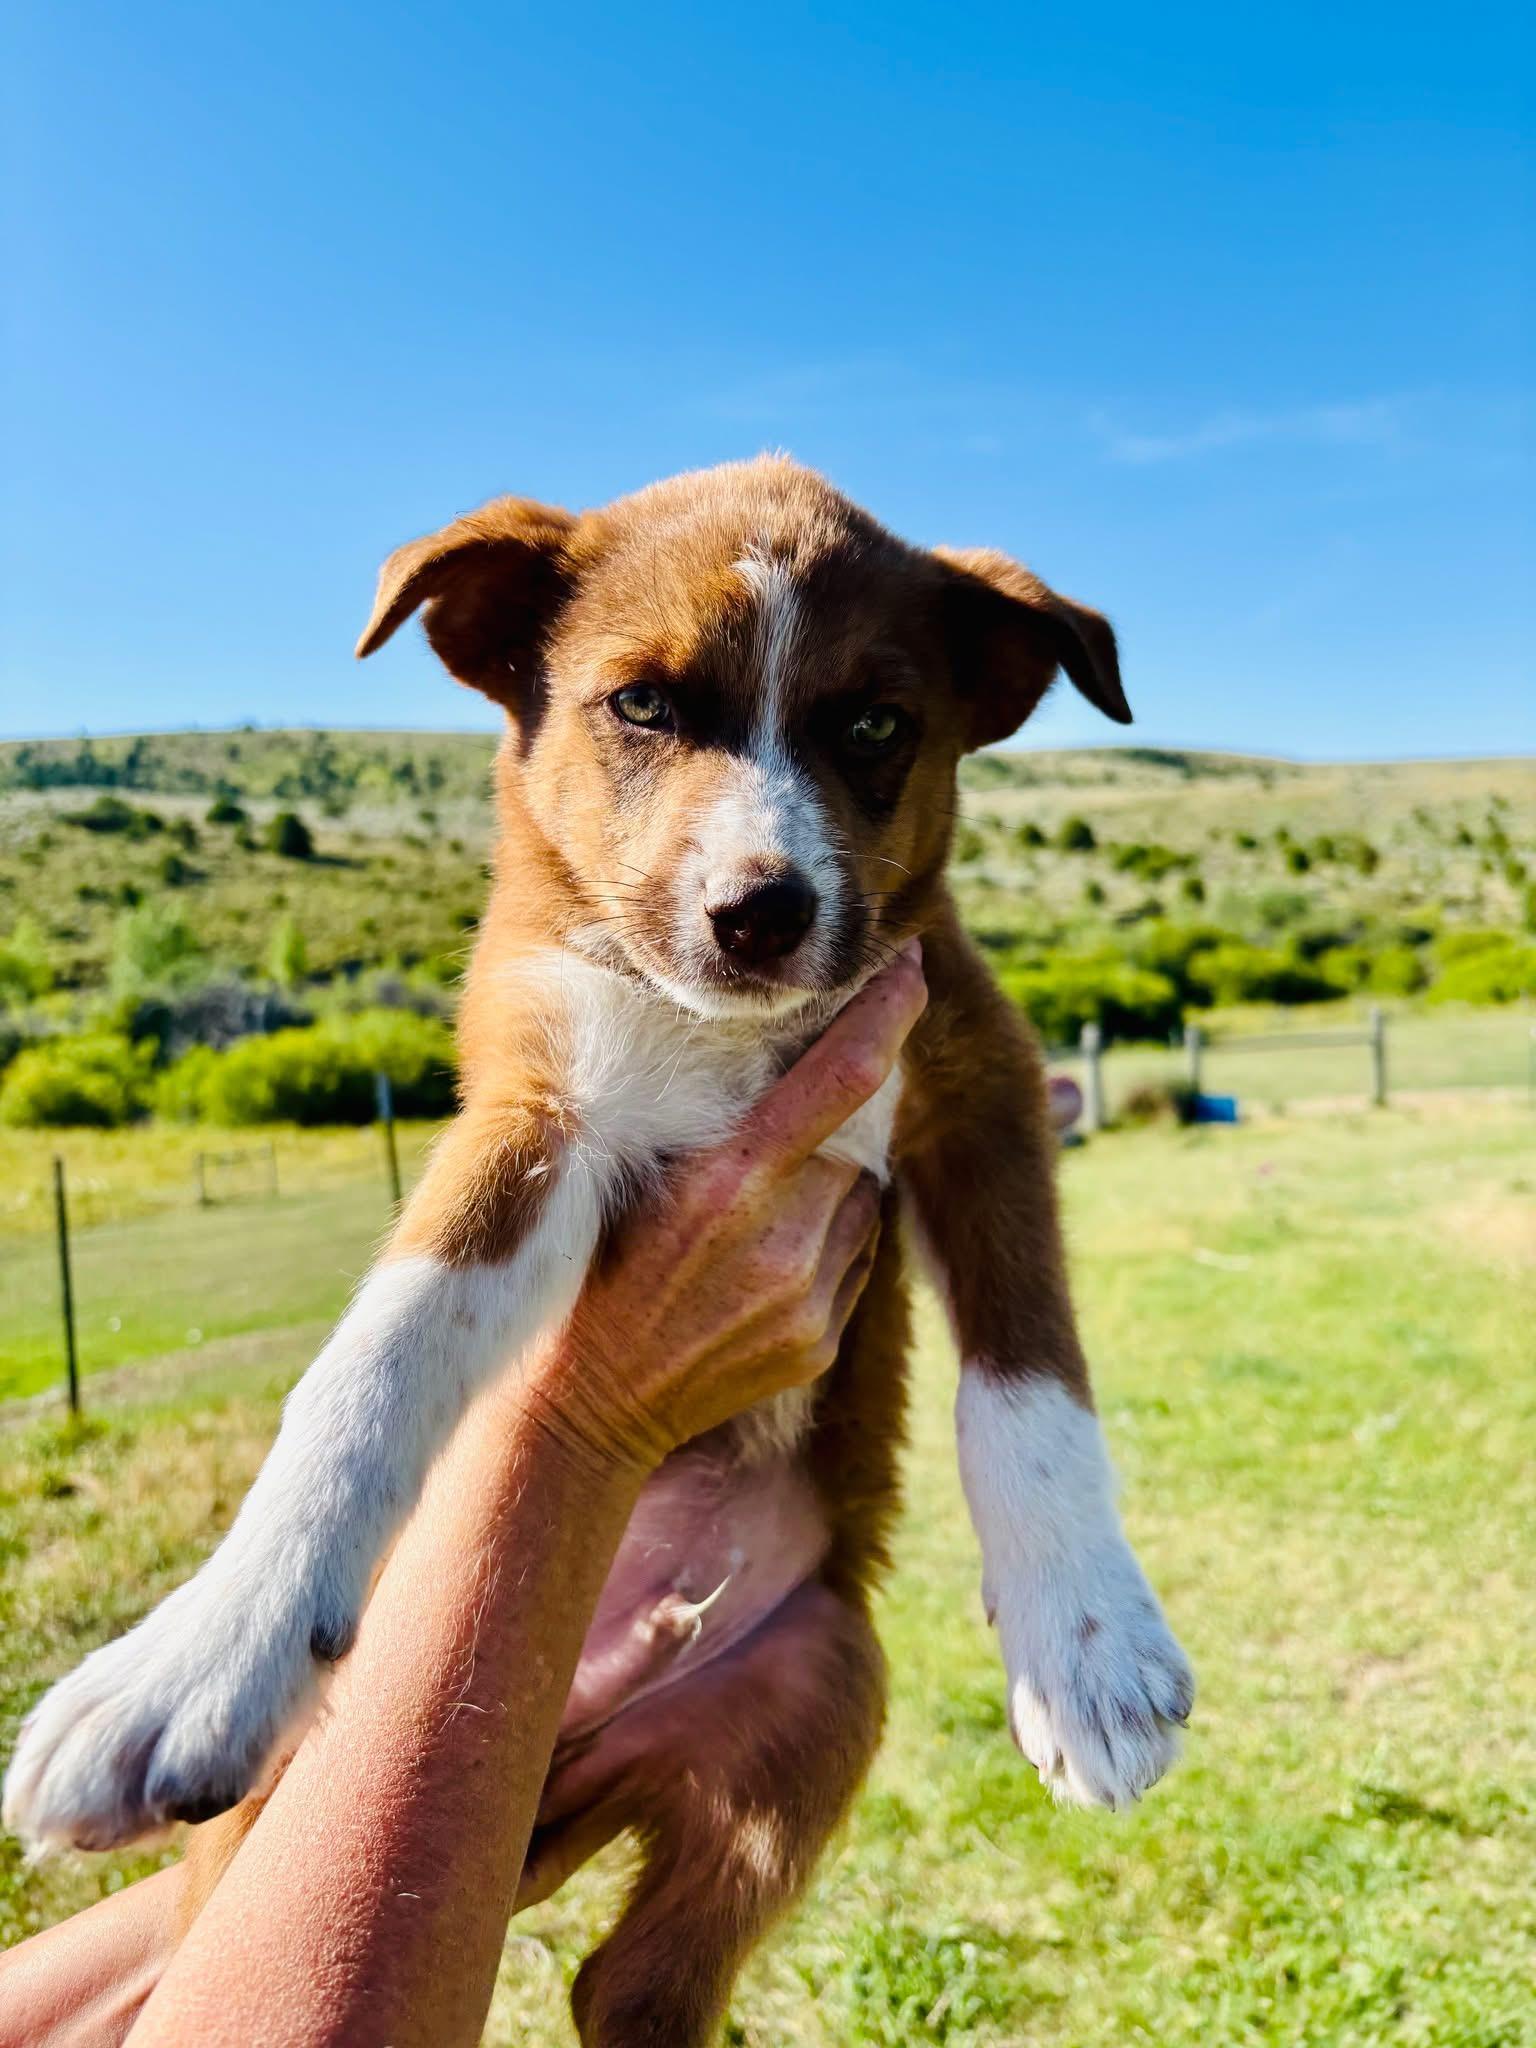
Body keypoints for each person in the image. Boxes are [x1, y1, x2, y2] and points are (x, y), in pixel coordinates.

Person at [0, 942, 927, 2048]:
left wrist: (412, 1829)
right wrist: (587, 1421)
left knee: (698, 1925)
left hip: (756, 1608)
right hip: (603, 1554)